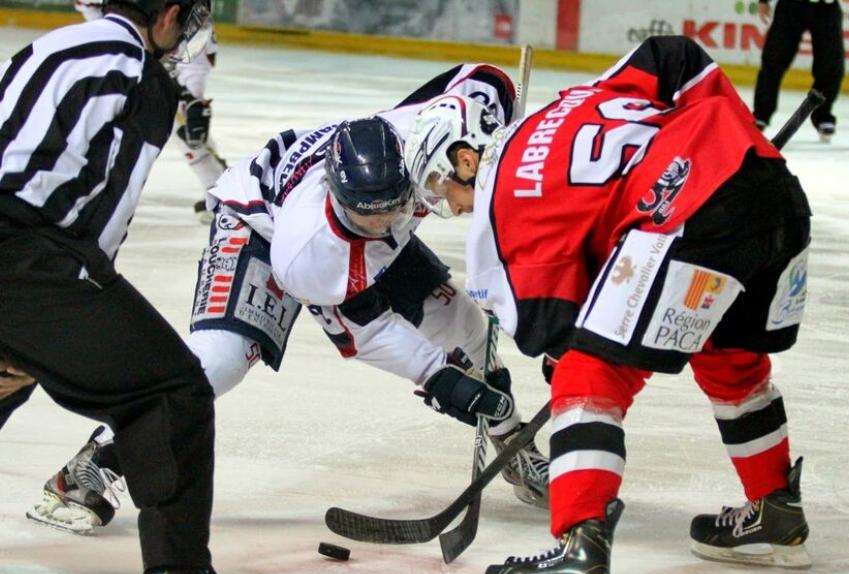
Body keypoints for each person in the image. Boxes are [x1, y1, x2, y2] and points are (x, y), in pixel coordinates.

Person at [26, 63, 550, 535]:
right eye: (467, 192)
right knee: (219, 362)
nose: (464, 205)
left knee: (468, 329)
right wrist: (438, 377)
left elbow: (485, 78)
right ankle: (96, 463)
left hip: (366, 222)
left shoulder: (430, 140)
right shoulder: (311, 250)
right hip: (263, 226)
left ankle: (513, 445)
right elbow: (361, 329)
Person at [405, 35, 813, 574]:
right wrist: (731, 135)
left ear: (465, 159)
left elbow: (545, 325)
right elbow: (673, 54)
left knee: (585, 376)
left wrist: (563, 347)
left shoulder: (496, 208)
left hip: (687, 216)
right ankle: (774, 509)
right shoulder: (567, 103)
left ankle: (578, 549)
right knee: (729, 357)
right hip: (774, 189)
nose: (455, 208)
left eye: (445, 191)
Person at [0, 1, 267, 574]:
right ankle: (179, 573)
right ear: (169, 14)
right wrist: (68, 302)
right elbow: (103, 215)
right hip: (27, 256)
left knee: (9, 377)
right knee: (172, 390)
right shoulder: (139, 73)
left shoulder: (55, 45)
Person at [75, 0, 228, 222]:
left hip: (170, 42)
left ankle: (220, 186)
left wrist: (189, 94)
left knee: (188, 126)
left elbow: (196, 29)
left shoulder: (189, 17)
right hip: (125, 42)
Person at [753, 0, 844, 141]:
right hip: (791, 6)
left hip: (827, 6)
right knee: (774, 59)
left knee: (831, 64)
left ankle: (823, 114)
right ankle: (761, 115)